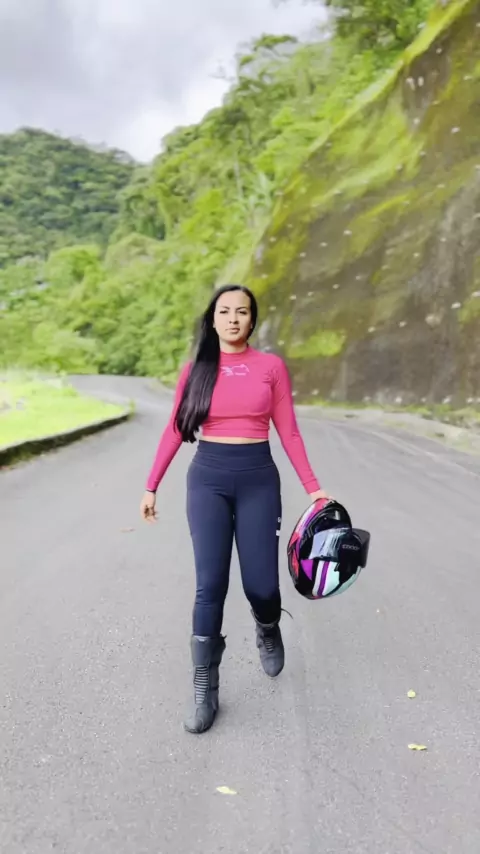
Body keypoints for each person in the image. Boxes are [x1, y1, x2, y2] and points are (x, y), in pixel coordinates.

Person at [140, 284, 329, 734]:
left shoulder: (270, 368)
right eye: (224, 311)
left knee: (261, 586)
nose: (232, 319)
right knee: (210, 586)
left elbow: (289, 432)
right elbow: (174, 429)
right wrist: (151, 485)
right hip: (207, 481)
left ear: (252, 319)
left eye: (241, 312)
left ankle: (267, 625)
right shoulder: (196, 371)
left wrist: (314, 489)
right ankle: (204, 690)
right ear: (212, 319)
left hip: (258, 480)